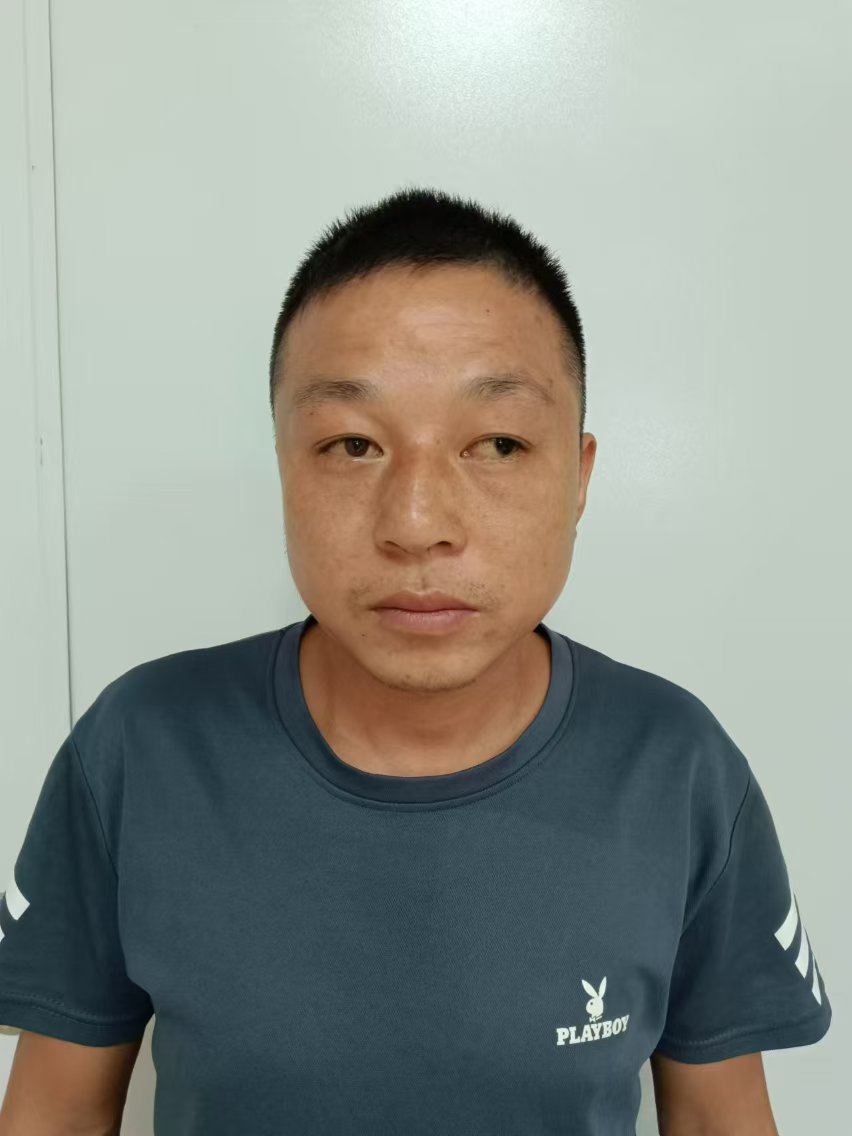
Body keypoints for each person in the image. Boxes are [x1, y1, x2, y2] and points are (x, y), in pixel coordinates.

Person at [0, 186, 831, 1135]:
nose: (417, 523)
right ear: (283, 467)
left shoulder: (676, 765)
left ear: (579, 476)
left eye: (499, 443)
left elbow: (723, 1120)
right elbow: (53, 1113)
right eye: (352, 444)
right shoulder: (142, 746)